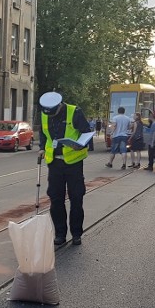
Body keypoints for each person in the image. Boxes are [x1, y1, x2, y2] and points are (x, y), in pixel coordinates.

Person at [38, 91, 91, 246]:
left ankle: (76, 234)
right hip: (54, 163)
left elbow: (87, 132)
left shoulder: (74, 112)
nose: (51, 116)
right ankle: (60, 234)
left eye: (53, 113)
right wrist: (42, 147)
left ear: (59, 106)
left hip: (74, 163)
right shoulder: (44, 114)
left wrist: (80, 144)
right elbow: (43, 133)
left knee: (76, 198)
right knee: (56, 199)